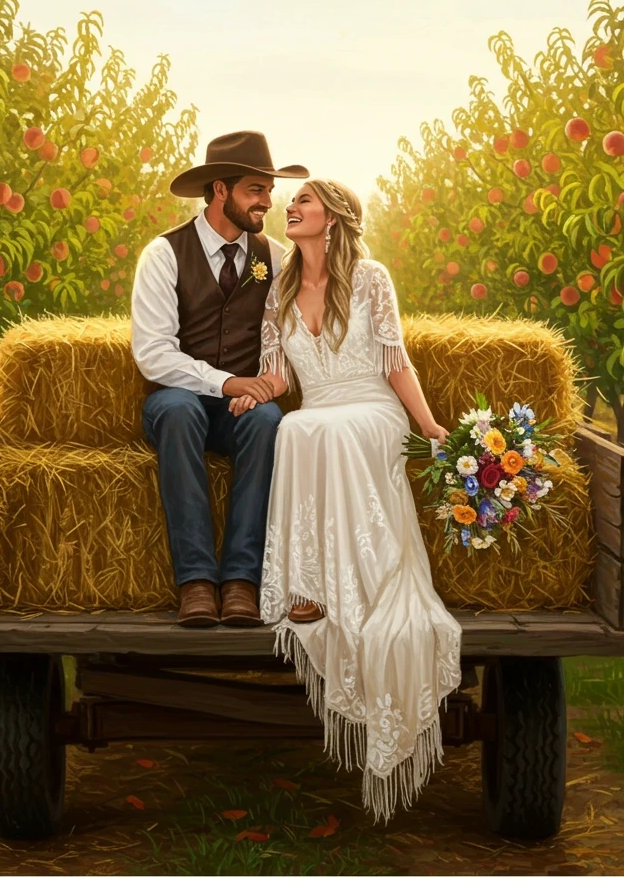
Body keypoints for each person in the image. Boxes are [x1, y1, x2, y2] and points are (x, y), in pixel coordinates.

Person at [230, 179, 463, 823]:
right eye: (291, 204)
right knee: (297, 425)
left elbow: (396, 362)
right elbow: (280, 374)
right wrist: (255, 393)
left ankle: (350, 588)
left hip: (372, 410)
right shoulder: (277, 288)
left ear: (332, 219)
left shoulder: (371, 279)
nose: (290, 209)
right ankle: (308, 589)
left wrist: (428, 425)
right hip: (323, 410)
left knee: (318, 429)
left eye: (303, 202)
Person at [130, 131, 309, 628]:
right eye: (256, 189)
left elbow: (293, 340)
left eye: (269, 191)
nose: (267, 202)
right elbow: (153, 354)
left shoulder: (274, 256)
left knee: (268, 421)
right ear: (220, 190)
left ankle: (239, 584)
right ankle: (195, 584)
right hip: (178, 403)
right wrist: (228, 382)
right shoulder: (164, 255)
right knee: (179, 409)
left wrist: (265, 386)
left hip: (244, 411)